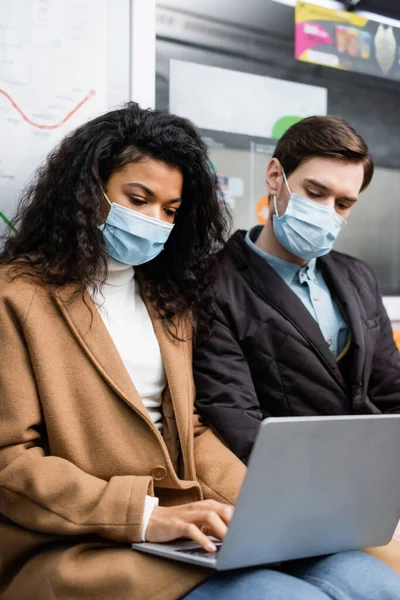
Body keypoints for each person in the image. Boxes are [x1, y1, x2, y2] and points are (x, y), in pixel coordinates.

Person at [1, 105, 400, 600]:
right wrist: (145, 515)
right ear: (88, 188)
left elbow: (192, 428)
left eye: (169, 210)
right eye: (138, 199)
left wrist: (264, 510)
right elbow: (9, 461)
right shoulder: (16, 297)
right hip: (79, 539)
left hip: (187, 522)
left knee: (378, 586)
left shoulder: (167, 298)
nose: (153, 221)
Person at [193, 115, 400, 575]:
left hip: (375, 490)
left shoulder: (356, 276)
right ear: (275, 178)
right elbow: (239, 426)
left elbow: (389, 393)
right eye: (314, 192)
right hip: (294, 499)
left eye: (344, 203)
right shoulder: (215, 286)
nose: (328, 212)